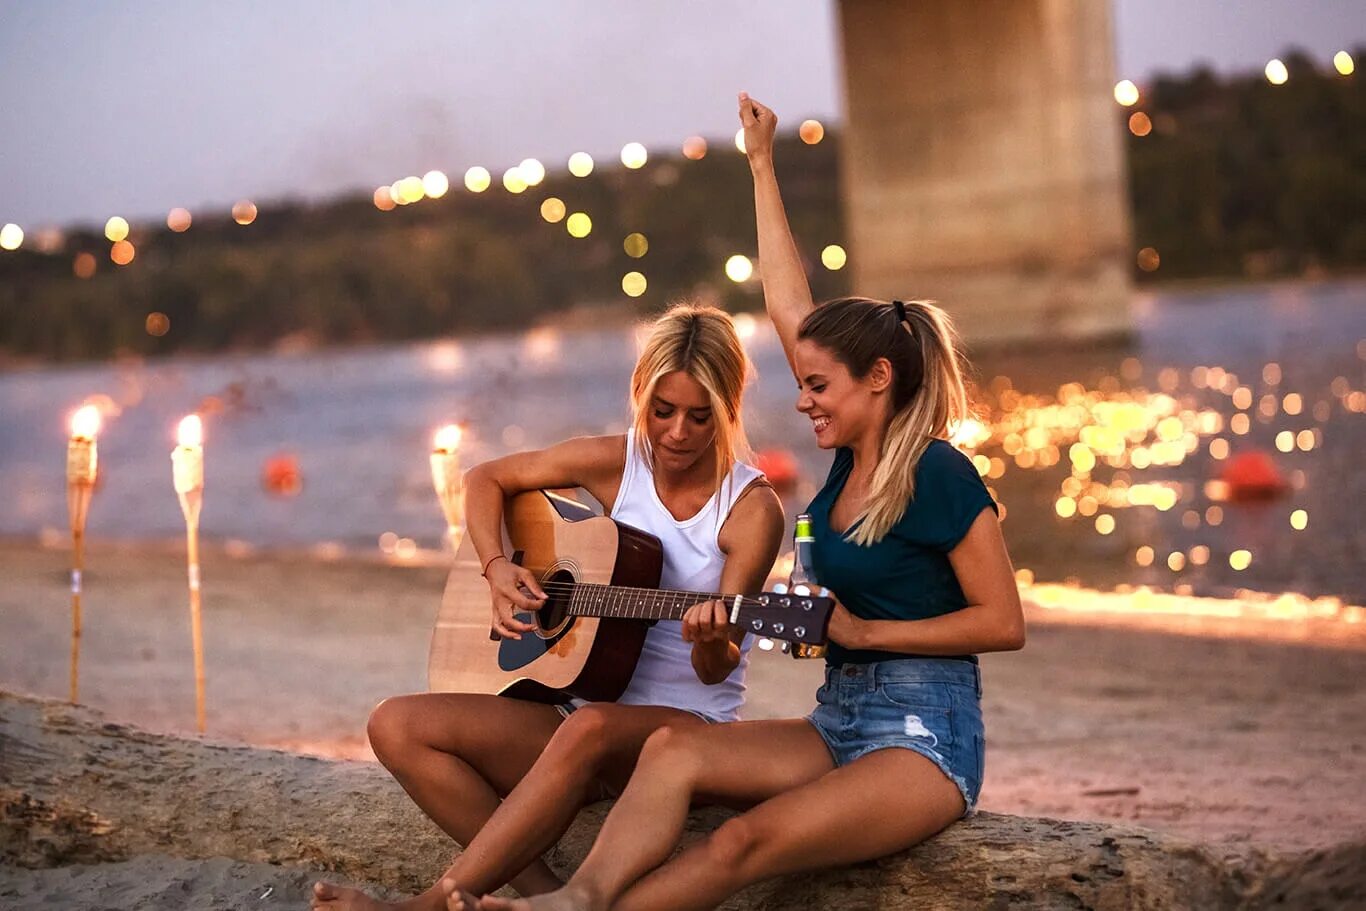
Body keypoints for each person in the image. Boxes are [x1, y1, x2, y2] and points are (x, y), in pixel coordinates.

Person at [463, 93, 1025, 911]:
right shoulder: (839, 476)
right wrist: (762, 163)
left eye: (818, 386)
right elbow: (791, 305)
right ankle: (576, 898)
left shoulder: (936, 472)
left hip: (925, 735)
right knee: (671, 754)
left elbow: (1004, 621)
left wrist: (868, 630)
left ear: (879, 380)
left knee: (743, 841)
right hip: (839, 719)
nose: (803, 401)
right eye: (803, 382)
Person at [311, 303, 785, 910]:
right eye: (662, 411)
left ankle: (429, 907)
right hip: (579, 715)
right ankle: (540, 896)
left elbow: (716, 670)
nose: (676, 433)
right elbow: (485, 478)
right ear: (640, 393)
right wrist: (498, 566)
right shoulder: (619, 461)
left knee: (590, 726)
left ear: (728, 408)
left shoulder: (750, 510)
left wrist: (714, 639)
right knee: (395, 724)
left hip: (684, 734)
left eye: (699, 417)